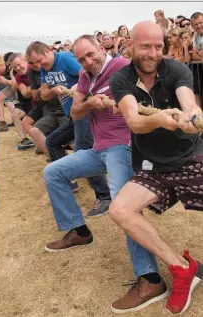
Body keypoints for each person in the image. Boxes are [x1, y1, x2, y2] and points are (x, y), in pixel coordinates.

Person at [108, 20, 203, 314]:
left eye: (158, 46)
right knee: (119, 209)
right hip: (154, 166)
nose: (152, 53)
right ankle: (181, 267)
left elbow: (189, 102)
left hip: (191, 156)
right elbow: (134, 121)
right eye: (145, 46)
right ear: (130, 46)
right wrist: (160, 120)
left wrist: (192, 115)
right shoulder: (121, 78)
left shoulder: (176, 69)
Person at [43, 34, 132, 252]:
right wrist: (90, 103)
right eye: (82, 59)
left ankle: (149, 275)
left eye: (91, 55)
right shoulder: (85, 75)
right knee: (52, 172)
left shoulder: (123, 66)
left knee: (123, 209)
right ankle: (79, 232)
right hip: (99, 148)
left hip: (122, 146)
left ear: (102, 48)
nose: (88, 62)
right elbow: (75, 112)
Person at [26, 41, 112, 215]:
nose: (37, 65)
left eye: (39, 60)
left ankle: (105, 197)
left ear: (48, 51)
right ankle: (68, 181)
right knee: (52, 142)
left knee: (84, 153)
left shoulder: (64, 59)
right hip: (73, 115)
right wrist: (55, 90)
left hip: (85, 112)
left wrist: (79, 87)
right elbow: (43, 94)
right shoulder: (44, 69)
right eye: (34, 63)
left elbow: (87, 73)